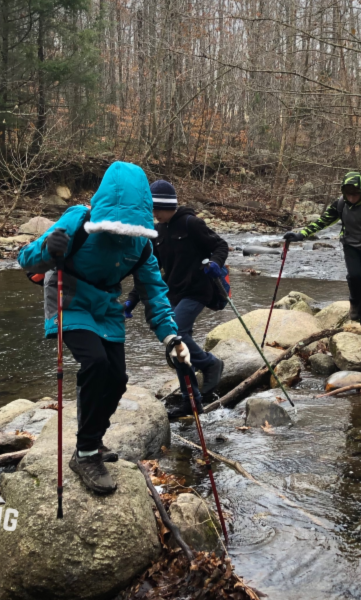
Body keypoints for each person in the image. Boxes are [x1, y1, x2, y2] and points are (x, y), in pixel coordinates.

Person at [18, 162, 190, 495]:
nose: (122, 233)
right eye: (116, 225)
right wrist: (47, 248)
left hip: (107, 307)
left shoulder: (141, 243)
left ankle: (92, 442)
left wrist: (171, 337)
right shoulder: (77, 221)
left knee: (118, 377)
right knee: (96, 363)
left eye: (129, 227)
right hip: (69, 298)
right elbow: (26, 258)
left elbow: (154, 292)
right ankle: (84, 455)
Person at [125, 180, 228, 414]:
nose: (154, 214)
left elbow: (220, 245)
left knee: (178, 333)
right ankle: (190, 400)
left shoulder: (191, 223)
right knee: (174, 346)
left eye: (157, 208)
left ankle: (210, 364)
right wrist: (133, 298)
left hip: (198, 290)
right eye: (152, 209)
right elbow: (148, 268)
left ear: (167, 205)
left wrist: (215, 263)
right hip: (174, 293)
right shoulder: (157, 232)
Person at [282, 171, 361, 337]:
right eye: (348, 194)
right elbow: (322, 222)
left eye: (355, 193)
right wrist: (300, 234)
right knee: (354, 276)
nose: (351, 197)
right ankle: (354, 301)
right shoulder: (340, 204)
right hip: (350, 246)